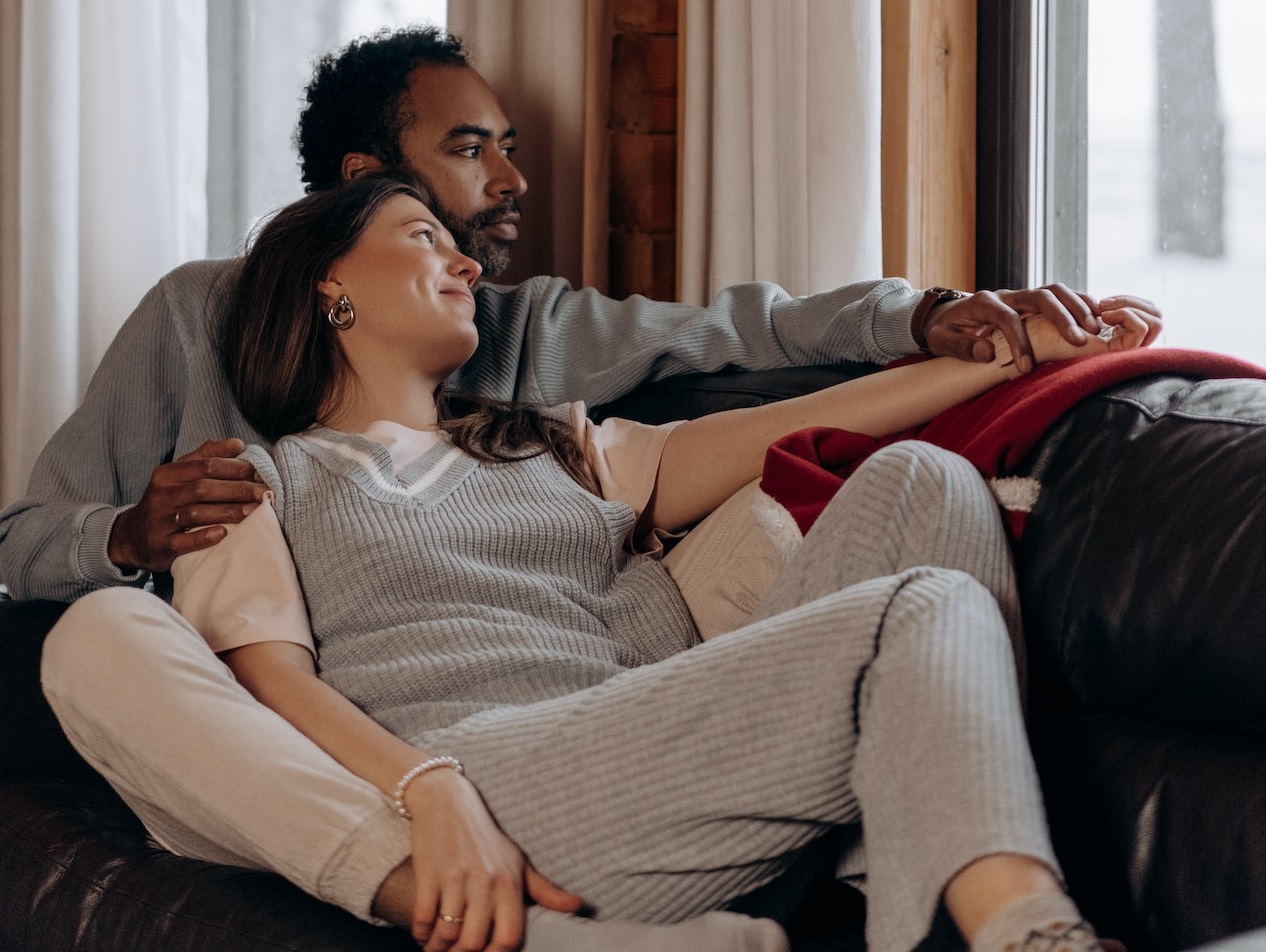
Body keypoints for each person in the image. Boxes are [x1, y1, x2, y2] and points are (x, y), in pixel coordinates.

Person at [96, 171, 1154, 952]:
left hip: (648, 758)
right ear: (332, 289)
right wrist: (426, 791)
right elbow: (264, 682)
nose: (467, 260)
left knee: (925, 478)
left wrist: (1011, 352)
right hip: (480, 792)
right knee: (919, 610)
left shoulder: (552, 443)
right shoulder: (254, 482)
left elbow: (817, 419)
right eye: (425, 236)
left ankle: (907, 905)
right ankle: (1026, 930)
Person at [0, 24, 1160, 601]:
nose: (511, 183)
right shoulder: (196, 313)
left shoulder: (519, 329)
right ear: (361, 177)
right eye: (468, 152)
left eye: (510, 149)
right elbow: (20, 543)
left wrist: (938, 315)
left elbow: (746, 326)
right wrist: (129, 536)